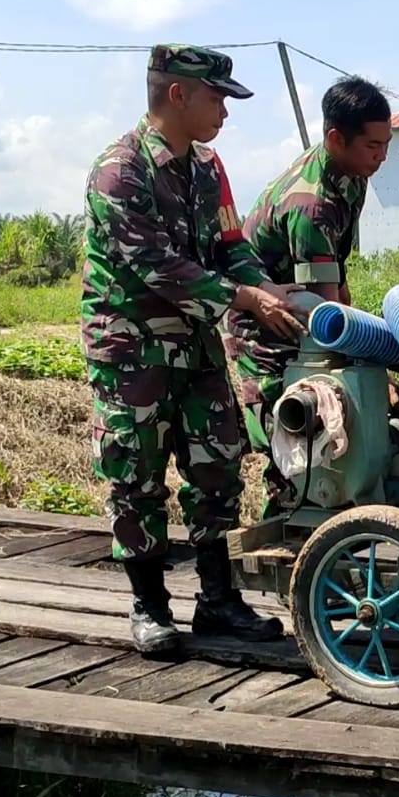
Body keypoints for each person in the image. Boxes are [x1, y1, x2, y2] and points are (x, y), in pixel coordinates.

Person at [81, 43, 308, 654]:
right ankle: (149, 607)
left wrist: (263, 286)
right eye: (217, 99)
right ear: (177, 94)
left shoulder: (208, 167)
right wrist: (243, 298)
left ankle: (217, 602)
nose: (225, 113)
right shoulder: (119, 170)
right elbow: (154, 265)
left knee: (217, 467)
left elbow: (231, 243)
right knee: (137, 476)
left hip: (197, 344)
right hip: (133, 351)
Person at [223, 75, 393, 518]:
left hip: (310, 309)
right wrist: (369, 366)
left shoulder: (352, 176)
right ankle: (290, 535)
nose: (382, 156)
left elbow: (335, 281)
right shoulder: (311, 203)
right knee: (296, 436)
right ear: (336, 139)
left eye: (386, 144)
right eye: (373, 146)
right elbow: (326, 317)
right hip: (266, 326)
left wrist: (370, 358)